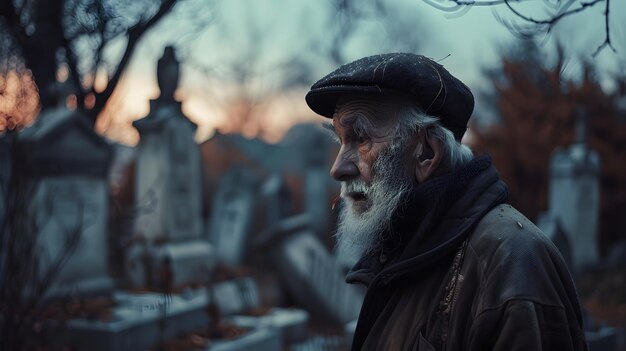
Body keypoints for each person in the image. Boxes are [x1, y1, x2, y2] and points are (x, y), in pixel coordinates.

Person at [305, 53, 587, 351]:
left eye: (360, 139)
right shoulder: (407, 250)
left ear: (427, 152)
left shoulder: (513, 266)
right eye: (340, 141)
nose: (338, 168)